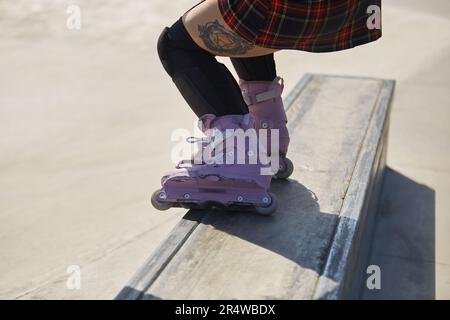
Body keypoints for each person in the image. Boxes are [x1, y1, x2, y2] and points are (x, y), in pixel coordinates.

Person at [151, 0, 382, 214]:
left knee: (176, 45)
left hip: (292, 9)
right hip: (348, 11)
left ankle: (238, 157)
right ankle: (266, 138)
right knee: (231, 26)